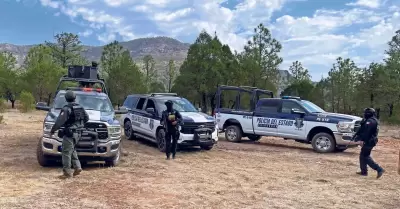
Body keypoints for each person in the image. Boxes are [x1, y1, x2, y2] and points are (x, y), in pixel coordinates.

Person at [50, 90, 89, 179]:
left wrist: (53, 130)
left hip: (70, 133)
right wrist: (79, 125)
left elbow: (60, 121)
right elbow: (87, 118)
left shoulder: (67, 108)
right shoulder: (80, 107)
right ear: (75, 98)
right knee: (72, 149)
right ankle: (77, 167)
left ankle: (67, 173)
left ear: (66, 98)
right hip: (79, 133)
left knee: (66, 152)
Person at [354, 107, 385, 179]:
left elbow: (367, 133)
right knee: (362, 155)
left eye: (365, 113)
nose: (364, 114)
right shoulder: (371, 120)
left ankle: (379, 169)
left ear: (368, 114)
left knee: (365, 156)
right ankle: (364, 171)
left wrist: (362, 140)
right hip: (370, 140)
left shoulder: (370, 122)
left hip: (369, 141)